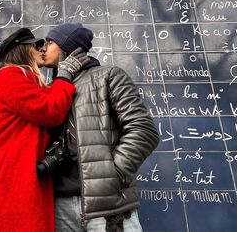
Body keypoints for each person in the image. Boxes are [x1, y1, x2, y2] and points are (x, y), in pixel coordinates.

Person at [0, 27, 90, 232]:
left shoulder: (27, 80)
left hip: (13, 181)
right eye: (37, 45)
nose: (43, 49)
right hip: (4, 185)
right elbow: (51, 110)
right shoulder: (9, 75)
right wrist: (64, 76)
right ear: (24, 50)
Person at [42, 23, 160, 232]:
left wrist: (112, 175)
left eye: (50, 43)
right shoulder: (50, 91)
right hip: (58, 206)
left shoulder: (108, 76)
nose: (43, 48)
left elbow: (143, 130)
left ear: (66, 46)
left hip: (108, 207)